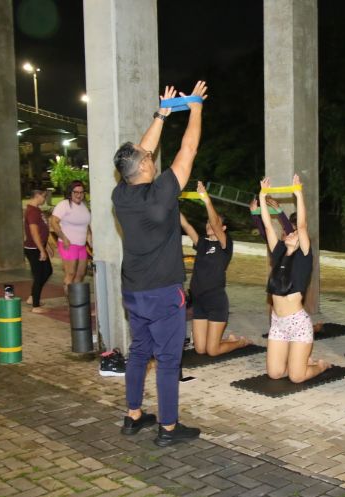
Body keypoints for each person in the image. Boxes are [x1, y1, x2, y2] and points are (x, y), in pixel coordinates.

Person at [111, 81, 207, 447]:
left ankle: (133, 415)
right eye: (148, 156)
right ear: (147, 167)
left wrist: (162, 114)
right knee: (168, 360)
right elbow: (189, 148)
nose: (150, 154)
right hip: (163, 292)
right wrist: (195, 108)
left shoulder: (121, 194)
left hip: (133, 291)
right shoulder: (161, 193)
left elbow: (140, 153)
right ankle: (168, 428)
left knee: (139, 350)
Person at [260, 175, 330, 383]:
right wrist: (263, 194)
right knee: (274, 374)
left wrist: (298, 193)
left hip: (298, 324)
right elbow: (267, 224)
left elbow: (302, 225)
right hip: (278, 323)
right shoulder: (278, 251)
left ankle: (319, 365)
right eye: (288, 233)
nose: (291, 234)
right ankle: (300, 360)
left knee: (296, 377)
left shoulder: (304, 257)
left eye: (296, 234)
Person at [180, 181, 250, 356]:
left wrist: (206, 200)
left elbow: (215, 225)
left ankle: (239, 342)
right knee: (200, 349)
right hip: (198, 301)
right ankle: (228, 339)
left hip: (216, 302)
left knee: (212, 351)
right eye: (208, 223)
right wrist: (172, 204)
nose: (209, 225)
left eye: (214, 223)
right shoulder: (202, 243)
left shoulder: (225, 244)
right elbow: (187, 226)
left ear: (223, 228)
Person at [50, 180, 91, 296]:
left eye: (82, 192)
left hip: (81, 245)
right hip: (68, 244)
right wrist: (64, 238)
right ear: (70, 192)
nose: (79, 195)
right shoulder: (64, 205)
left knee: (80, 274)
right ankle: (71, 305)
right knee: (70, 274)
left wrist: (89, 239)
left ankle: (77, 302)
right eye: (76, 192)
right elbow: (54, 222)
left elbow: (86, 224)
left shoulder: (83, 206)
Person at [24, 189, 54, 313]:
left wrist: (47, 246)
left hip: (39, 247)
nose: (45, 199)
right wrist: (41, 250)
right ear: (37, 195)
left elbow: (42, 231)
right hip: (33, 249)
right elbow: (34, 232)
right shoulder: (32, 212)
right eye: (44, 196)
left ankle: (33, 297)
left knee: (47, 271)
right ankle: (36, 306)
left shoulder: (36, 209)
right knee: (39, 275)